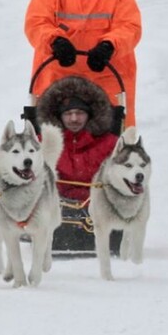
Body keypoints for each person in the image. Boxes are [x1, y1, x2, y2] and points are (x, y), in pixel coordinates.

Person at [25, 0, 142, 127]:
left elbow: (130, 27)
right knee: (55, 144)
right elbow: (36, 22)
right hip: (59, 75)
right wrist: (55, 41)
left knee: (109, 143)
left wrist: (109, 46)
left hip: (106, 75)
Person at [37, 75, 120, 252]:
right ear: (59, 116)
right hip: (55, 209)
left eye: (80, 113)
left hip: (99, 209)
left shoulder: (111, 143)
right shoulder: (42, 142)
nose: (74, 119)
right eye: (68, 113)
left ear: (89, 115)